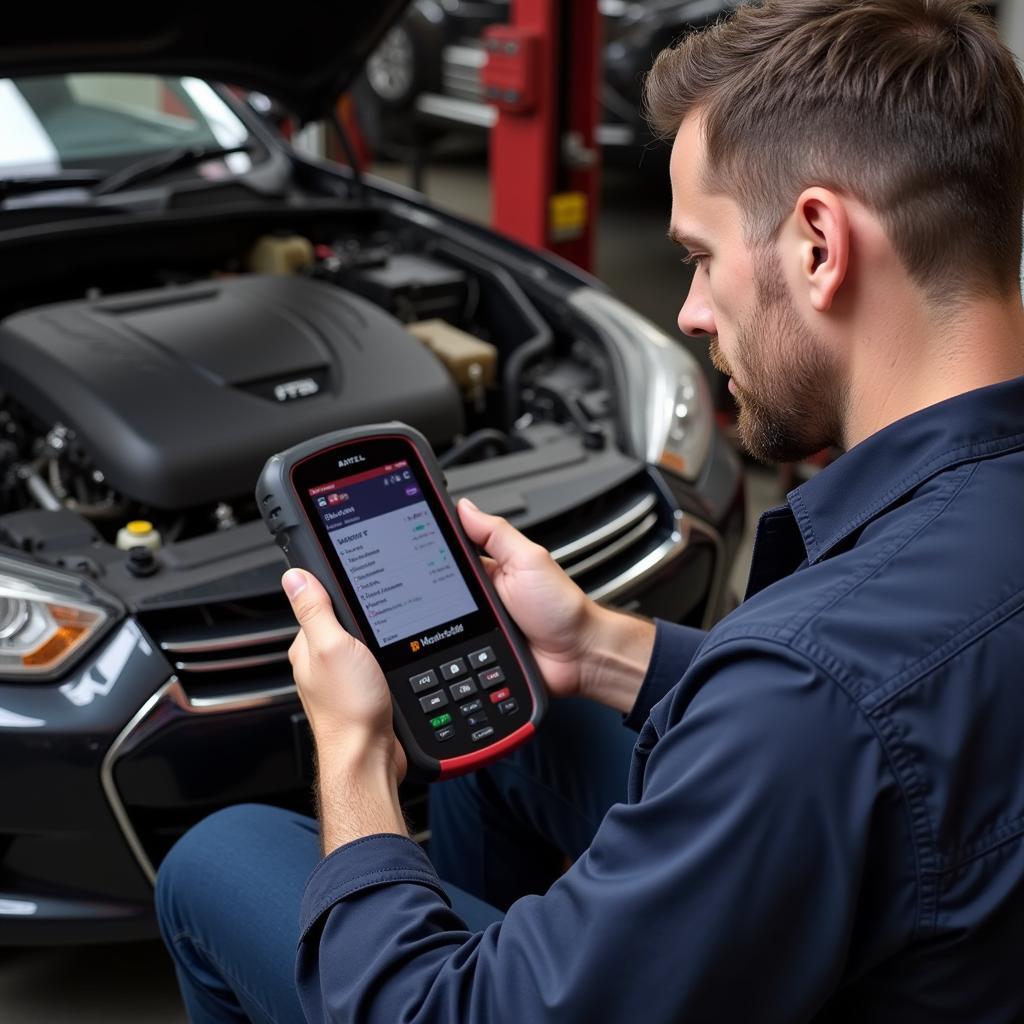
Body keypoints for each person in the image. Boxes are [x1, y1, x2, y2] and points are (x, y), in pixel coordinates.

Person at [155, 0, 1024, 1020]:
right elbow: (900, 713)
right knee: (519, 716)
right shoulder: (869, 637)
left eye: (698, 256)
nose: (690, 311)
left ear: (819, 245)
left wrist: (355, 760)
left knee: (216, 859)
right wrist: (603, 649)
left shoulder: (808, 689)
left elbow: (832, 709)